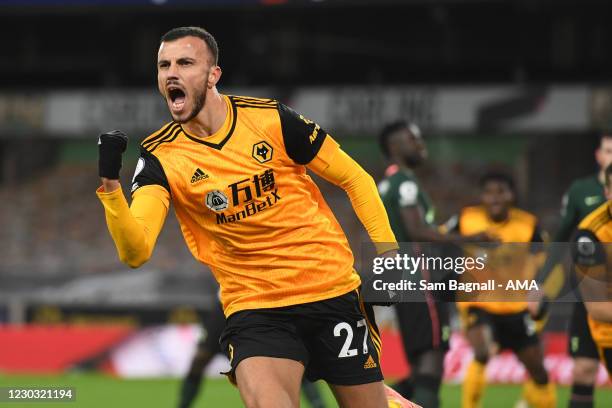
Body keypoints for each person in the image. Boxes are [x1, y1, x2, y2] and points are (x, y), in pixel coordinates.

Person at [97, 26, 417, 408]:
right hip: (255, 308)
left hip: (331, 291)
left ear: (213, 74)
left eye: (185, 62)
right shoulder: (160, 157)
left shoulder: (271, 120)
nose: (171, 74)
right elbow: (136, 251)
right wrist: (111, 186)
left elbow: (355, 178)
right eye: (163, 65)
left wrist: (390, 254)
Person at [377, 121, 489, 407]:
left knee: (419, 363)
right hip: (421, 275)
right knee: (432, 356)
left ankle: (378, 400)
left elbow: (414, 228)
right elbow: (416, 231)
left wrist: (443, 229)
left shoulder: (387, 182)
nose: (419, 143)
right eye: (412, 138)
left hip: (399, 277)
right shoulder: (404, 183)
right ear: (394, 147)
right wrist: (469, 237)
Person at [446, 172, 556, 408]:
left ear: (511, 195)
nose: (495, 198)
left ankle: (534, 401)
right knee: (482, 350)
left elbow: (546, 262)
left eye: (501, 192)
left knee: (539, 372)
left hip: (516, 307)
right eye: (489, 193)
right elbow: (438, 241)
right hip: (479, 303)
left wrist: (539, 289)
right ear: (481, 196)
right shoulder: (466, 219)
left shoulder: (528, 225)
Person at [530, 132, 612, 408]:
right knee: (584, 369)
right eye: (608, 150)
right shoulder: (581, 193)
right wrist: (540, 283)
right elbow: (561, 238)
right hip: (591, 288)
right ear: (598, 156)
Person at [178, 299, 328, 408]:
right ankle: (183, 405)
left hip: (260, 304)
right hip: (225, 303)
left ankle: (319, 405)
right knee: (199, 359)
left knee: (291, 359)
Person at [572, 163, 612, 377]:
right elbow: (598, 308)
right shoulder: (590, 236)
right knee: (584, 369)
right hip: (610, 334)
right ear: (607, 192)